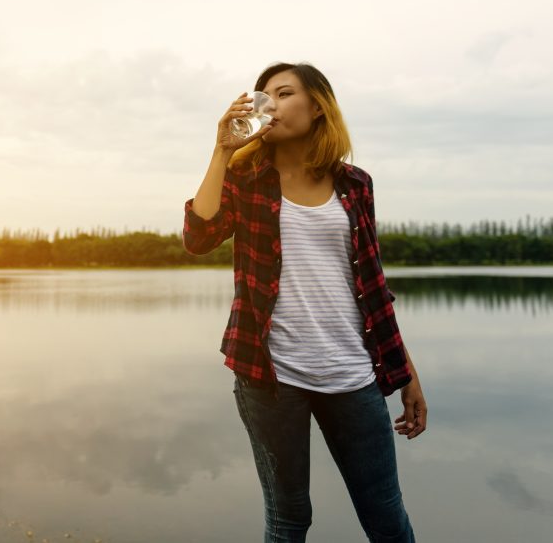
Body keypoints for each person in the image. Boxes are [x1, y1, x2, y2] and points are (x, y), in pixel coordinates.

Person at [182, 62, 428, 542]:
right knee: (289, 518)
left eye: (285, 92)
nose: (269, 103)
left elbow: (374, 288)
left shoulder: (356, 184)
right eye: (263, 96)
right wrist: (220, 151)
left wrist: (407, 374)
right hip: (271, 376)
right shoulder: (245, 178)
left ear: (317, 106)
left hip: (353, 375)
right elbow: (198, 237)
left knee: (385, 515)